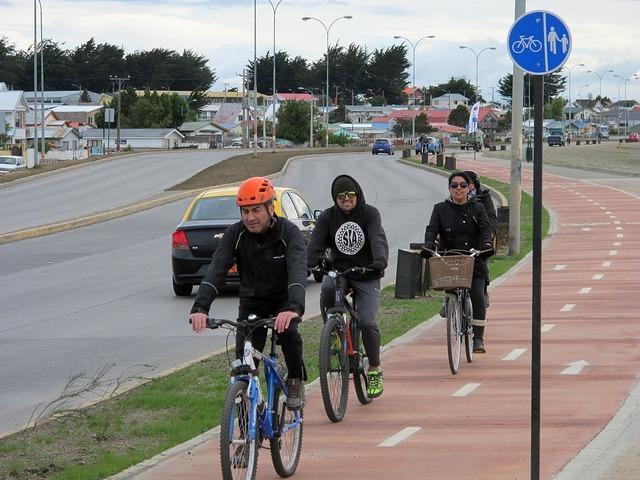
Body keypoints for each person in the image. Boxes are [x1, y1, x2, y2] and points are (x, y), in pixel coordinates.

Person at [189, 177, 307, 410]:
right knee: (244, 368)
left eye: (256, 210)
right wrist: (200, 307)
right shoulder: (236, 234)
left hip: (283, 300)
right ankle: (247, 436)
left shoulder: (289, 233)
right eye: (245, 212)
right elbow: (216, 269)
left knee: (289, 335)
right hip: (252, 302)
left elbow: (297, 271)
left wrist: (293, 308)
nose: (249, 217)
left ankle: (295, 379)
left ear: (270, 208)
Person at [307, 174, 389, 398]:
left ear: (357, 195)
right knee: (326, 286)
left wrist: (378, 262)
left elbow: (377, 238)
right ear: (335, 198)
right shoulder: (327, 217)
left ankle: (374, 368)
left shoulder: (369, 214)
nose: (346, 199)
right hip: (341, 272)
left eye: (350, 194)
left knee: (367, 321)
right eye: (341, 195)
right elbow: (315, 244)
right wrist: (310, 262)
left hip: (366, 273)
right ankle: (333, 328)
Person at [424, 171, 494, 353]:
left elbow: (486, 228)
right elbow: (431, 230)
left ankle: (478, 338)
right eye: (454, 185)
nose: (459, 189)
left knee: (477, 294)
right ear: (449, 189)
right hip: (450, 258)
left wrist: (486, 245)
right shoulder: (440, 209)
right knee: (449, 289)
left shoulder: (478, 207)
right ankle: (451, 303)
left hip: (473, 257)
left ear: (468, 187)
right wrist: (429, 245)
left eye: (463, 185)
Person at [464, 170, 497, 309]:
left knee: (481, 265)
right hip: (461, 239)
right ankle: (449, 300)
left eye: (468, 184)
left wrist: (489, 235)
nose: (463, 187)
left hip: (480, 238)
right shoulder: (454, 198)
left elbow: (492, 218)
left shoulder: (484, 197)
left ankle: (483, 292)